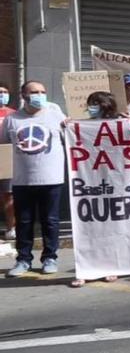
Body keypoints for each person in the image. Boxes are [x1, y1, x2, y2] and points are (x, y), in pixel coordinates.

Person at [3, 81, 67, 278]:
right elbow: (3, 146)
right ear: (24, 95)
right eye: (34, 92)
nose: (39, 95)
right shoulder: (12, 119)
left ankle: (50, 258)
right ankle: (23, 260)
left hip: (52, 178)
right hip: (22, 180)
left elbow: (79, 136)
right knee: (24, 222)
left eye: (43, 91)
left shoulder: (56, 115)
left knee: (51, 221)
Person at [70, 91, 125, 287]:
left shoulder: (122, 124)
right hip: (88, 183)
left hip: (116, 183)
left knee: (111, 228)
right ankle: (85, 268)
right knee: (86, 226)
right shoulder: (82, 126)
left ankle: (111, 266)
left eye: (96, 103)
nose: (91, 107)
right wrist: (67, 127)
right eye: (90, 103)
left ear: (106, 105)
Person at [0, 84, 15, 241]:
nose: (2, 95)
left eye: (5, 92)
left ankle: (12, 228)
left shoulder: (13, 114)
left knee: (8, 195)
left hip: (6, 158)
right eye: (0, 92)